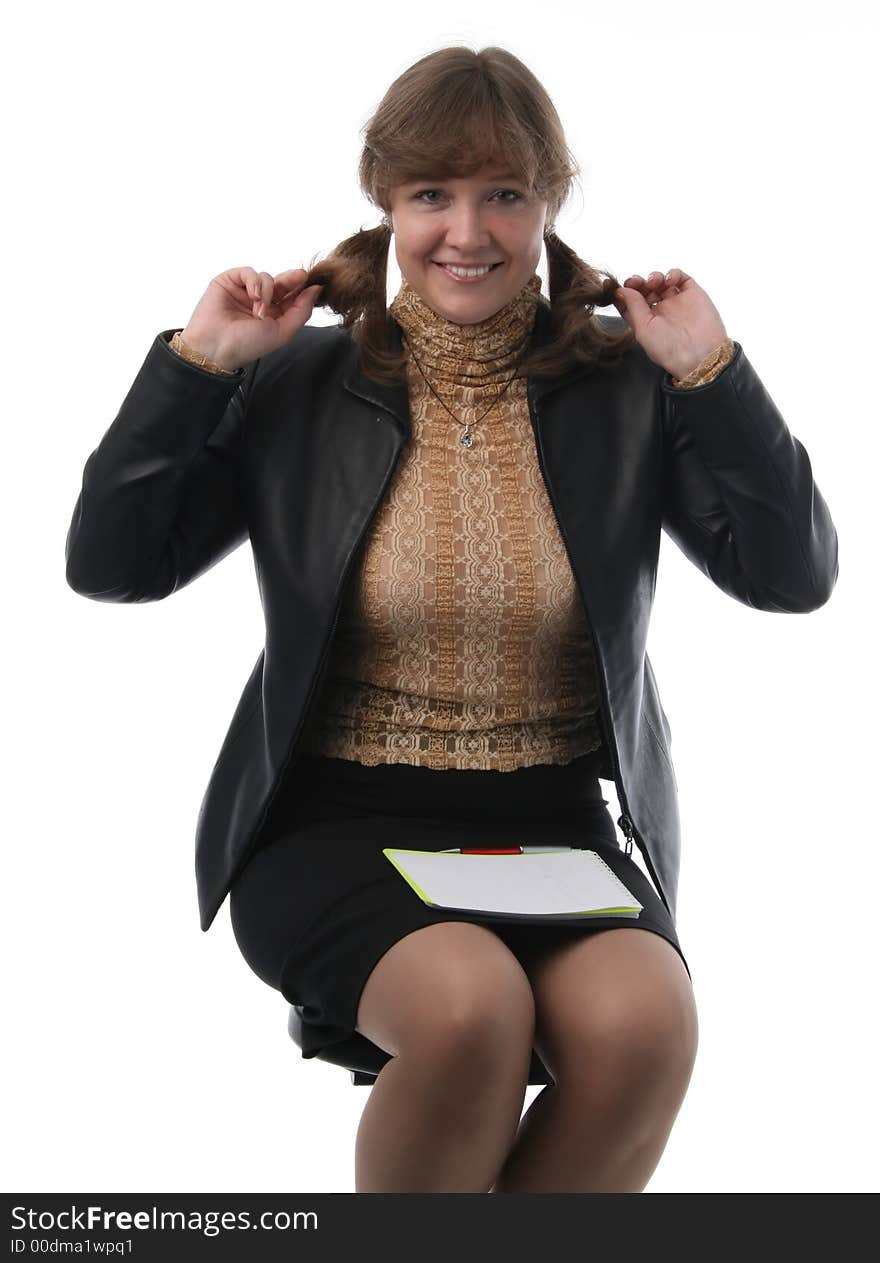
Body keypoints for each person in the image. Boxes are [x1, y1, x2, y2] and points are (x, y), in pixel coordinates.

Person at [64, 45, 838, 1194]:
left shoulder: (628, 388)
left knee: (644, 1029)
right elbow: (114, 567)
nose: (466, 232)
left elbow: (790, 578)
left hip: (552, 830)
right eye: (432, 195)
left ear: (547, 205)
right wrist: (200, 368)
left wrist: (712, 377)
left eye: (502, 195)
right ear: (386, 205)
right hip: (330, 822)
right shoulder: (297, 389)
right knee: (470, 1005)